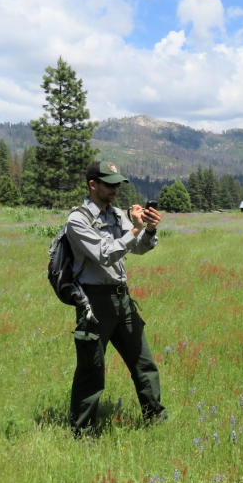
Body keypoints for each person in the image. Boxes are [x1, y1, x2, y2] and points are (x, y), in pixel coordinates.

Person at [65, 161, 167, 435]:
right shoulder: (78, 220)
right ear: (93, 184)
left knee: (143, 361)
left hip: (122, 299)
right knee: (92, 369)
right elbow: (105, 253)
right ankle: (83, 431)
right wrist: (134, 230)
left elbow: (139, 249)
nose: (115, 189)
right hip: (94, 303)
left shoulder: (116, 215)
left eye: (118, 184)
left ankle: (156, 418)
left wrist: (148, 230)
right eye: (110, 184)